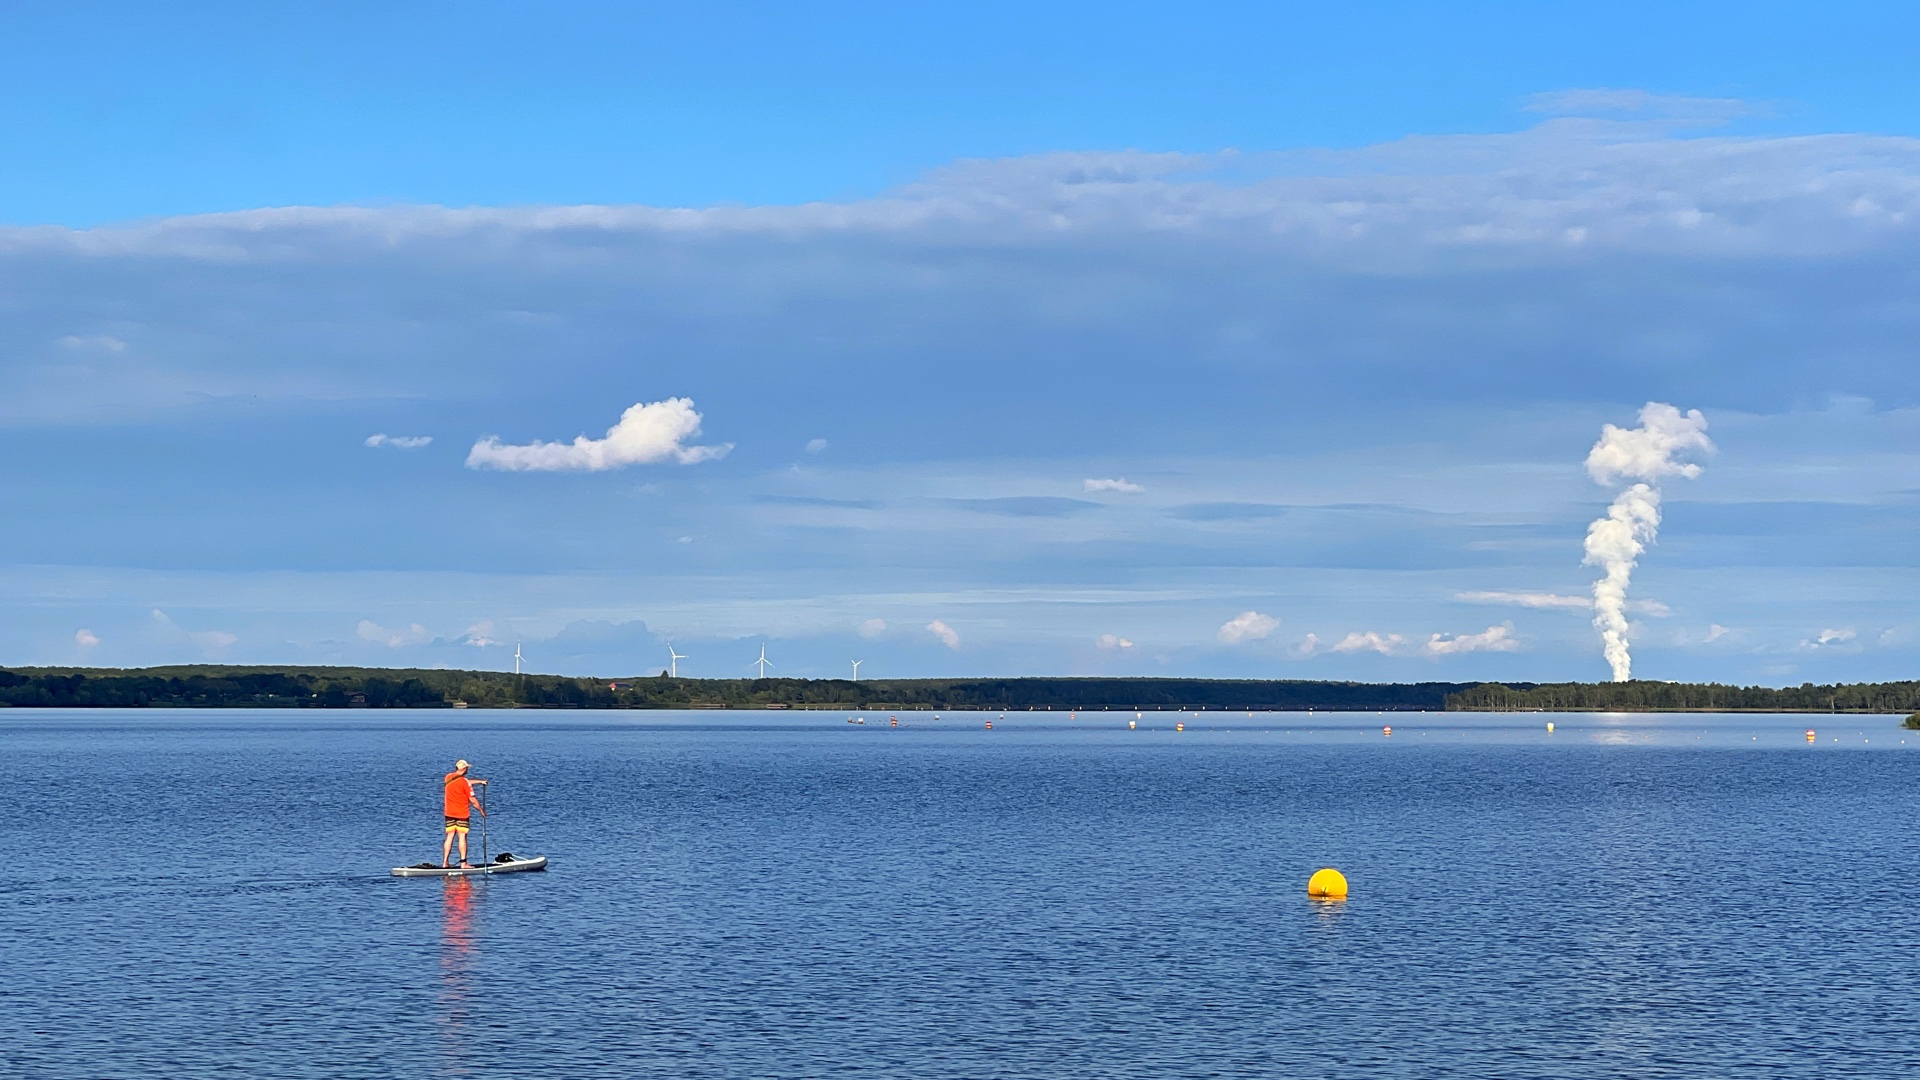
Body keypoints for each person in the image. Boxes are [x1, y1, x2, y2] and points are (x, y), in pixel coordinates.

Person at [440, 759, 489, 868]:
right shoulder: (464, 782)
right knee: (462, 837)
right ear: (464, 769)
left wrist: (479, 782)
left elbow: (464, 781)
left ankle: (445, 862)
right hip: (462, 814)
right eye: (466, 768)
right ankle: (463, 863)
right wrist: (481, 811)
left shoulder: (448, 777)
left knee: (450, 836)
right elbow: (473, 800)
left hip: (449, 813)